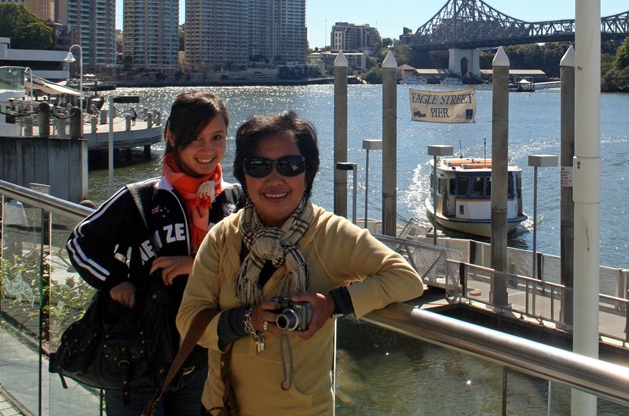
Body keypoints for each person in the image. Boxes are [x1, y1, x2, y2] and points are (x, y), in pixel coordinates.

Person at [177, 111, 424, 415]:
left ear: (307, 173)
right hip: (224, 406)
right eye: (259, 167)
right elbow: (188, 320)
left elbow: (406, 278)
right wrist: (246, 320)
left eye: (290, 166)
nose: (274, 179)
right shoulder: (225, 236)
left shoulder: (330, 234)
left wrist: (333, 304)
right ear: (244, 175)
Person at [66, 91, 239, 416]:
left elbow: (251, 261)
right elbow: (81, 242)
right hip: (138, 357)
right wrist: (115, 280)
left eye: (217, 137)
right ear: (171, 137)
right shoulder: (141, 198)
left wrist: (195, 264)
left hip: (202, 357)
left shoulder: (229, 199)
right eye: (195, 138)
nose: (207, 149)